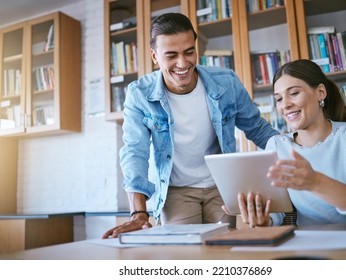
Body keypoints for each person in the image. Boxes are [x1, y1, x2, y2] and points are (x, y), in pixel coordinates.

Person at [102, 13, 279, 238]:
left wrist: (298, 153)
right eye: (171, 55)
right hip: (176, 191)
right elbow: (134, 151)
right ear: (155, 57)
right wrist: (138, 212)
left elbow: (257, 129)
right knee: (184, 253)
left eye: (189, 52)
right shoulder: (140, 94)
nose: (183, 63)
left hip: (220, 187)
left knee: (223, 248)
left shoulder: (226, 82)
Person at [233, 59, 346, 228]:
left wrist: (316, 182)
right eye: (278, 99)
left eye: (293, 93)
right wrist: (265, 220)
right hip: (309, 245)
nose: (285, 104)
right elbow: (276, 212)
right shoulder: (277, 146)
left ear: (320, 93)